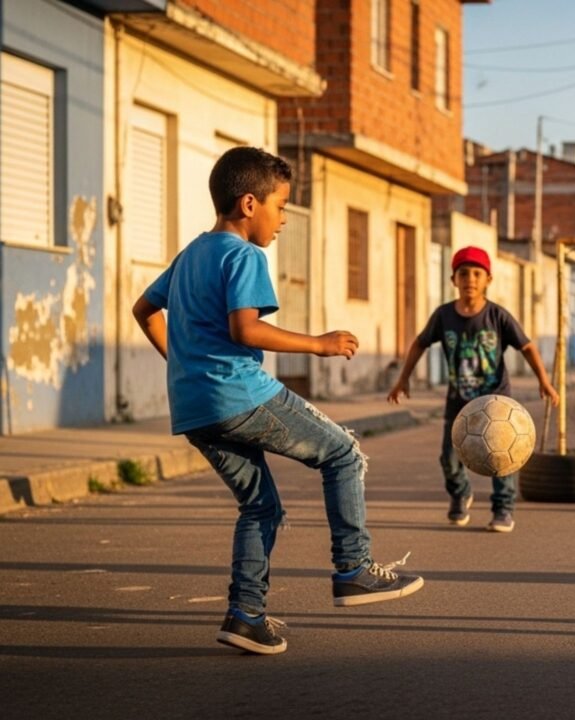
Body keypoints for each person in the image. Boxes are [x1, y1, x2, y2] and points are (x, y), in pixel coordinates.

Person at [132, 147, 423, 656]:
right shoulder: (244, 255)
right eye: (281, 205)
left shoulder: (191, 254)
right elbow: (244, 328)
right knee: (344, 452)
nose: (284, 219)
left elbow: (144, 308)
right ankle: (353, 569)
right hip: (241, 394)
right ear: (249, 204)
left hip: (196, 406)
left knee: (260, 507)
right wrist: (320, 343)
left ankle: (245, 616)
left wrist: (184, 365)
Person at [387, 246, 558, 533]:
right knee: (449, 458)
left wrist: (544, 380)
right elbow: (420, 343)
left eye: (477, 273)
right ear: (454, 279)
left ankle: (503, 508)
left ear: (488, 279)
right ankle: (460, 494)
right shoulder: (443, 315)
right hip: (460, 404)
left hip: (497, 402)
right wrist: (403, 378)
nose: (470, 279)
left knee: (503, 455)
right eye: (463, 273)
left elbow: (526, 346)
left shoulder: (498, 316)